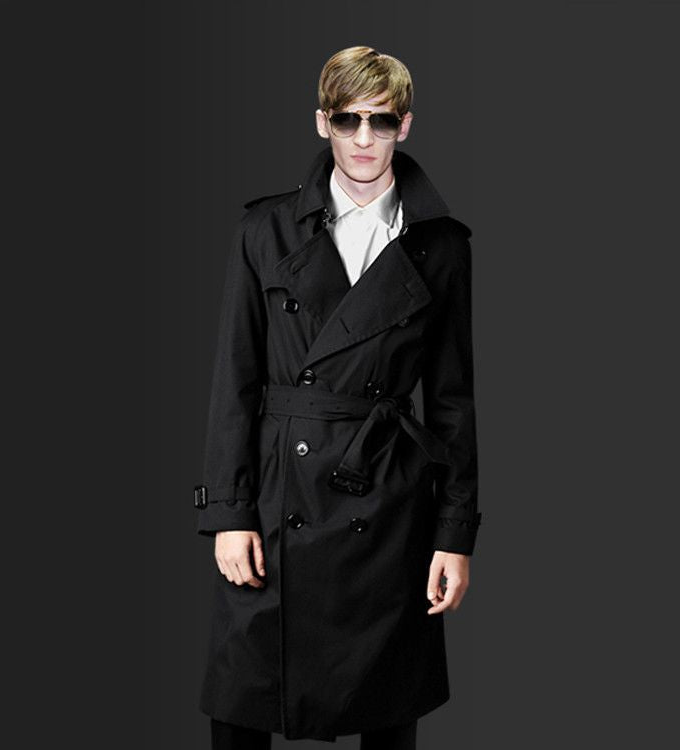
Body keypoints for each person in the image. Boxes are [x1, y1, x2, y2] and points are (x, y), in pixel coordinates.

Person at [195, 45, 483, 748]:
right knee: (244, 700)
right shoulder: (263, 230)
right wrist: (229, 513)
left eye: (380, 121)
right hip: (277, 493)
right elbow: (234, 379)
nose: (363, 139)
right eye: (348, 119)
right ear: (322, 122)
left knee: (385, 704)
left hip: (386, 496)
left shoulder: (442, 245)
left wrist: (454, 534)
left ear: (404, 126)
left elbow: (453, 399)